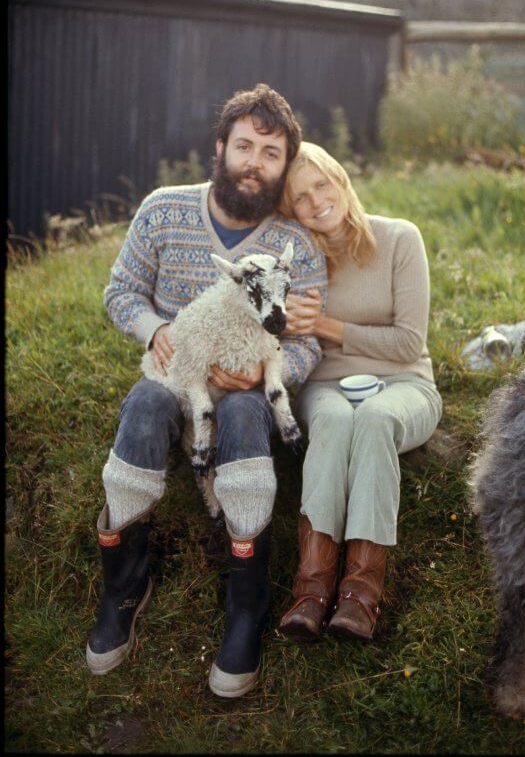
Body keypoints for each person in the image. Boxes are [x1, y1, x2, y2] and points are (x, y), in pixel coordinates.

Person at [85, 85, 327, 699]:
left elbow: (306, 342)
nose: (254, 161)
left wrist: (266, 372)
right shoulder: (163, 210)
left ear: (282, 166)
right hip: (174, 376)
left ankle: (245, 604)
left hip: (245, 387)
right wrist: (156, 329)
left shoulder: (293, 247)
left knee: (246, 414)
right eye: (244, 145)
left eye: (270, 153)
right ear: (219, 147)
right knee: (143, 407)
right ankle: (122, 588)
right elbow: (120, 293)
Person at [277, 142, 442, 642]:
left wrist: (328, 325)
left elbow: (409, 342)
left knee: (374, 419)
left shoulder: (399, 239)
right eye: (299, 198)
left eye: (321, 184)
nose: (316, 202)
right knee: (334, 420)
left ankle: (360, 596)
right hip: (324, 386)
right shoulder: (298, 259)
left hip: (406, 383)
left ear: (341, 179)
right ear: (290, 210)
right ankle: (310, 592)